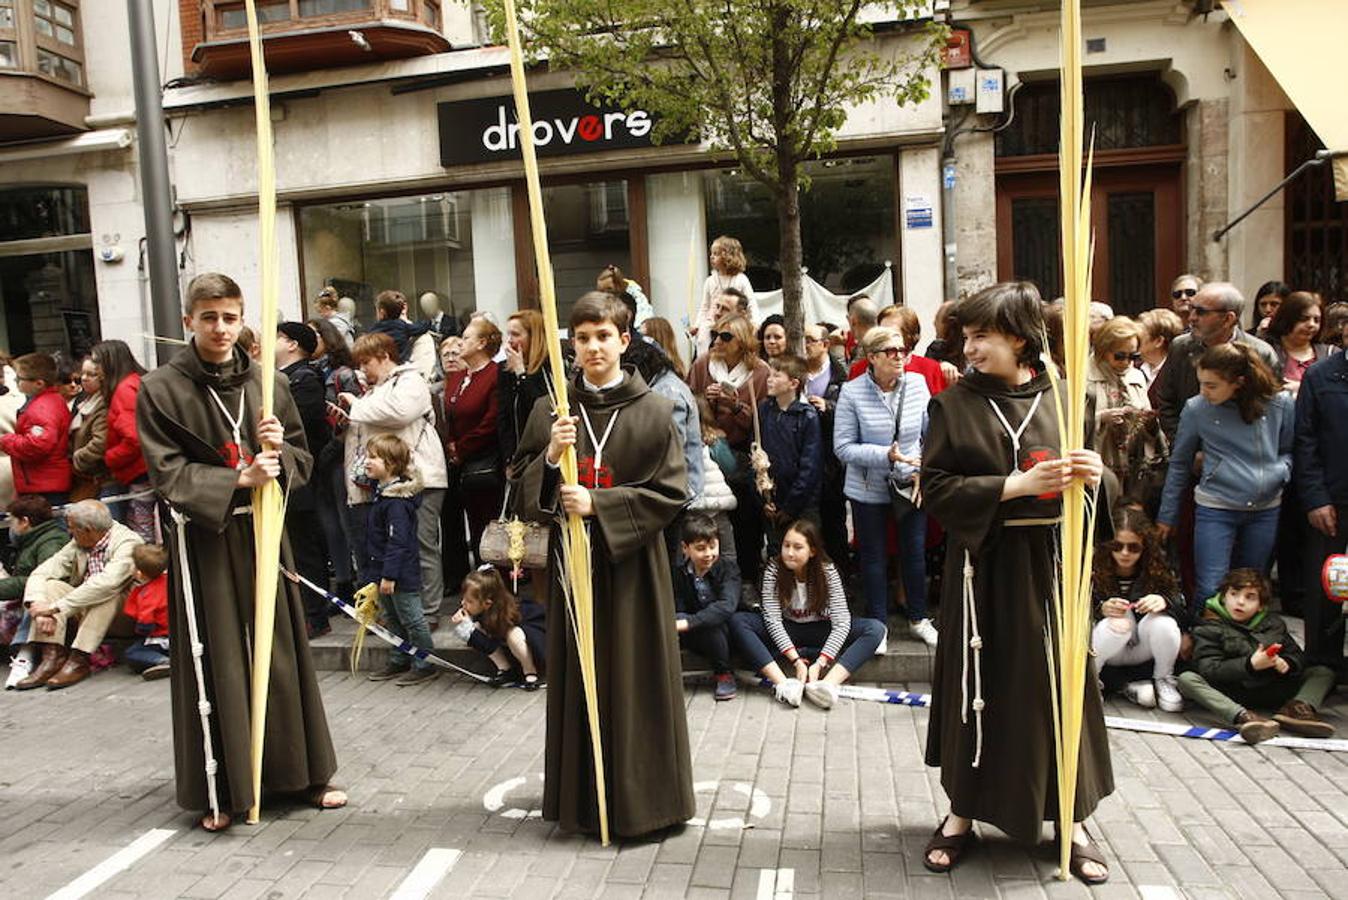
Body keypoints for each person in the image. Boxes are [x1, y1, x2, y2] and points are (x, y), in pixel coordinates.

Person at [919, 282, 1111, 883]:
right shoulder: (953, 405)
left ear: (1021, 340)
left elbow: (1098, 496)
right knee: (981, 687)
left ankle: (1071, 820)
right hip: (984, 572)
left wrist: (1097, 474)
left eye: (983, 337)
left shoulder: (1068, 398)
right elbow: (936, 490)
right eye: (966, 336)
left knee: (1057, 689)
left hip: (1051, 570)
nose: (969, 349)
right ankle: (961, 814)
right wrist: (1013, 487)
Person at [137, 272, 342, 831]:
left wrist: (276, 455)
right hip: (206, 539)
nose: (221, 328)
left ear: (242, 318)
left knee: (281, 650)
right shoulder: (161, 388)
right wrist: (239, 478)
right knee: (220, 656)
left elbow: (302, 459)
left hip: (265, 533)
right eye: (209, 318)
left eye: (230, 317)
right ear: (189, 321)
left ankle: (303, 775)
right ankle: (223, 788)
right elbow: (166, 472)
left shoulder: (268, 383)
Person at [509, 290, 693, 838]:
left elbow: (672, 492)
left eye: (604, 337)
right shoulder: (552, 410)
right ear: (572, 344)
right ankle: (584, 803)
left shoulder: (655, 410)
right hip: (572, 563)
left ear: (624, 341)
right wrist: (549, 456)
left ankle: (646, 805)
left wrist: (600, 504)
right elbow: (519, 485)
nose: (593, 348)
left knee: (635, 677)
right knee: (581, 674)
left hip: (633, 566)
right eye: (583, 338)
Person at [1156, 343, 1293, 610]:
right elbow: (1180, 463)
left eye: (1211, 385)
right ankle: (1206, 636)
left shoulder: (1280, 404)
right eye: (1201, 383)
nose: (1203, 391)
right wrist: (1167, 516)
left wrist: (1279, 472)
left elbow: (1288, 449)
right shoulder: (1197, 409)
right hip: (1216, 506)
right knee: (1210, 587)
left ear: (1239, 382)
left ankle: (1246, 637)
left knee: (1250, 589)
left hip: (1265, 508)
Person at [834, 327, 934, 649]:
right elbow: (843, 447)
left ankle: (919, 619)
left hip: (910, 482)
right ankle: (878, 626)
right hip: (868, 486)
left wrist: (922, 469)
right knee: (873, 556)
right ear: (872, 357)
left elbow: (930, 434)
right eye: (891, 352)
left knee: (914, 552)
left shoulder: (917, 384)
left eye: (902, 350)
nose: (900, 357)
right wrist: (884, 456)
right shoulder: (852, 392)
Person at [342, 332, 449, 630]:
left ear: (385, 356)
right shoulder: (375, 391)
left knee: (421, 545)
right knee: (393, 547)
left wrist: (354, 406)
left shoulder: (411, 380)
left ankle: (428, 611)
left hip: (422, 477)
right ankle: (404, 614)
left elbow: (399, 413)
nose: (362, 369)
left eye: (366, 362)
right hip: (389, 482)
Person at [729, 519, 883, 709]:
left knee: (875, 629)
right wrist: (796, 660)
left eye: (797, 547)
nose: (789, 553)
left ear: (812, 551)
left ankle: (827, 685)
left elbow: (842, 622)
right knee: (738, 621)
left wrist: (820, 663)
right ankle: (783, 685)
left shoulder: (827, 571)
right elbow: (773, 620)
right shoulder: (773, 569)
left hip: (820, 629)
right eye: (786, 546)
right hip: (787, 629)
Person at [1177, 568, 1336, 744]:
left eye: (1250, 597)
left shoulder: (1273, 623)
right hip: (1231, 692)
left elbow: (1297, 655)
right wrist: (1249, 665)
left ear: (1261, 605)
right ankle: (1244, 718)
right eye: (1234, 594)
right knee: (1187, 679)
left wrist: (1287, 663)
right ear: (1223, 597)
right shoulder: (1209, 626)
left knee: (1322, 672)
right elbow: (1209, 669)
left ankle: (1296, 709)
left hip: (1271, 687)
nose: (1240, 602)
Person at [15, 499, 142, 691]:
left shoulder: (128, 543)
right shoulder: (80, 542)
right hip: (84, 610)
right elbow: (43, 572)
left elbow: (106, 583)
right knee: (51, 586)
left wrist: (55, 608)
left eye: (72, 528)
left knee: (107, 594)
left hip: (124, 616)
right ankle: (52, 655)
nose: (69, 532)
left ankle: (79, 658)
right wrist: (39, 607)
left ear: (88, 530)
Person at [686, 313, 771, 580]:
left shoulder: (760, 372)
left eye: (725, 336)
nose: (718, 342)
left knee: (746, 524)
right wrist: (706, 401)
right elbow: (689, 405)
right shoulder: (703, 365)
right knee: (710, 527)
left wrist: (734, 405)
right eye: (715, 335)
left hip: (745, 456)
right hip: (709, 454)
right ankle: (710, 580)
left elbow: (762, 422)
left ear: (743, 341)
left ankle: (746, 578)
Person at [1155, 282, 1277, 444]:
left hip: (1243, 451)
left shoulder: (1261, 353)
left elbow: (1271, 410)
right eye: (1192, 309)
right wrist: (1186, 444)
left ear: (1228, 319)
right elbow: (1166, 401)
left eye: (1201, 312)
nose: (1192, 318)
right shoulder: (1180, 348)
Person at [1090, 508, 1185, 711]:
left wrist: (1164, 601)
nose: (1124, 553)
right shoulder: (1092, 568)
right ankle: (1090, 681)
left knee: (1164, 623)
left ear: (1145, 547)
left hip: (1143, 647)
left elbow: (1182, 607)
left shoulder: (1158, 570)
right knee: (1118, 621)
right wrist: (1100, 608)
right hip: (1105, 645)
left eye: (1133, 547)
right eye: (1117, 546)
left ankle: (1164, 678)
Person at [361, 434, 437, 686]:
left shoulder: (396, 503)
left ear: (391, 464)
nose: (366, 461)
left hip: (398, 574)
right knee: (392, 618)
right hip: (383, 571)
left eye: (373, 457)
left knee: (412, 619)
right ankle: (400, 658)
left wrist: (389, 575)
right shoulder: (382, 494)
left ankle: (425, 663)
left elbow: (398, 542)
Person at [276, 321, 335, 637]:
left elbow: (298, 422)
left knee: (304, 547)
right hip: (283, 475)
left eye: (278, 337)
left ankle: (315, 614)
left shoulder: (304, 379)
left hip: (299, 476)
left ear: (292, 344)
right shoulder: (282, 378)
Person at [1293, 338, 1348, 674]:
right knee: (1326, 585)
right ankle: (1321, 666)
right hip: (1332, 500)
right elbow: (1305, 440)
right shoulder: (1321, 376)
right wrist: (1316, 498)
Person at [443, 315, 504, 584]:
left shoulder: (495, 375)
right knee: (456, 524)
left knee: (485, 529)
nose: (460, 343)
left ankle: (492, 587)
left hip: (484, 463)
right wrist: (451, 446)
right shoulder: (457, 377)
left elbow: (491, 421)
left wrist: (462, 448)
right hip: (457, 464)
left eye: (466, 338)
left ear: (482, 343)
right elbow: (450, 415)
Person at [1085, 317, 1166, 510]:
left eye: (1133, 356)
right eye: (1119, 356)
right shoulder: (1082, 376)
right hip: (1098, 467)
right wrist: (1101, 418)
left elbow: (1150, 431)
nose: (1127, 362)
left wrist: (1148, 421)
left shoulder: (1136, 375)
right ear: (1103, 350)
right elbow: (1067, 423)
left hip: (1133, 470)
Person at [307, 317, 359, 603]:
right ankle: (343, 583)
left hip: (340, 454)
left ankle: (359, 583)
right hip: (318, 456)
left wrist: (336, 444)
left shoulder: (342, 374)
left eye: (314, 334)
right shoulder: (307, 372)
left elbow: (356, 417)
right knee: (329, 524)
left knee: (346, 520)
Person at [0, 496, 68, 688]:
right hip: (26, 592)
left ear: (25, 521)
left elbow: (41, 580)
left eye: (12, 520)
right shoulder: (32, 539)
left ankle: (25, 656)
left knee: (34, 600)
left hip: (49, 597)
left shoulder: (51, 542)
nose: (11, 526)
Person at [671, 514, 740, 701]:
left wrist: (690, 622)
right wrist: (682, 620)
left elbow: (727, 605)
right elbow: (678, 603)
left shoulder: (728, 568)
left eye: (712, 546)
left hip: (723, 631)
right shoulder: (679, 572)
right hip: (692, 631)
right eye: (701, 548)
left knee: (714, 625)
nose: (708, 554)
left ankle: (724, 674)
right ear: (685, 548)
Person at [91, 340, 154, 541]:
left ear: (110, 362)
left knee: (141, 533)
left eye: (97, 362)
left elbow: (134, 438)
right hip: (144, 469)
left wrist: (110, 458)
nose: (95, 368)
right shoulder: (135, 382)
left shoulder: (124, 390)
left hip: (139, 472)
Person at [758, 354, 822, 545]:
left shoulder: (806, 416)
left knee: (804, 548)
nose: (769, 379)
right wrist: (763, 500)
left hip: (802, 504)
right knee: (777, 550)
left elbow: (810, 467)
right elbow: (756, 456)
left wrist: (790, 507)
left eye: (776, 375)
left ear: (793, 383)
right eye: (769, 375)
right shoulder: (765, 410)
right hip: (772, 500)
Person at [452, 565, 545, 690]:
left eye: (469, 601)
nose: (463, 603)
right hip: (506, 642)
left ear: (487, 604)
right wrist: (466, 624)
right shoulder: (482, 612)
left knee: (514, 634)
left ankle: (530, 671)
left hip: (534, 642)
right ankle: (505, 669)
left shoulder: (509, 611)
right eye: (463, 598)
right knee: (472, 630)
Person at [803, 322, 850, 570]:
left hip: (832, 459)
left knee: (834, 521)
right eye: (802, 339)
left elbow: (850, 410)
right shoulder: (797, 373)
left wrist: (828, 407)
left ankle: (840, 575)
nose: (805, 345)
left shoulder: (840, 375)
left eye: (810, 340)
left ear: (825, 344)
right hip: (804, 455)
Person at [0, 353, 72, 506]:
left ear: (39, 383)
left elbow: (37, 445)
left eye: (20, 379)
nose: (15, 382)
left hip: (43, 485)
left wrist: (5, 440)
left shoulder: (42, 408)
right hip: (42, 482)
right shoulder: (49, 401)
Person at [687, 396, 738, 565]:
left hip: (691, 509)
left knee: (693, 556)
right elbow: (730, 467)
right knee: (727, 554)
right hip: (717, 508)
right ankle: (729, 582)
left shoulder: (681, 441)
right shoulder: (715, 441)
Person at [499, 310, 553, 465]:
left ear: (533, 337)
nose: (509, 341)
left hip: (542, 452)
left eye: (516, 334)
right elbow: (503, 417)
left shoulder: (548, 368)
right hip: (516, 454)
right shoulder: (504, 370)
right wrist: (508, 458)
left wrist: (521, 374)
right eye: (508, 334)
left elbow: (540, 408)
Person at [694, 236, 756, 355]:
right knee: (702, 337)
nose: (711, 257)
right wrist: (697, 325)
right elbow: (704, 307)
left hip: (735, 321)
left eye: (716, 254)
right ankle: (704, 359)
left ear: (728, 256)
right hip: (713, 321)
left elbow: (751, 303)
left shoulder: (741, 279)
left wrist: (754, 323)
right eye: (711, 253)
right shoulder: (710, 281)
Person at [1267, 291, 1330, 399]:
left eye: (1316, 320)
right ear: (1287, 319)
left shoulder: (1330, 354)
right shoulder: (1267, 351)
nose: (1311, 324)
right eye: (1304, 319)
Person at [122, 542, 171, 680]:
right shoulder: (167, 580)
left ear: (139, 573)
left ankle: (162, 662)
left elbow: (145, 624)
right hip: (178, 635)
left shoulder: (146, 594)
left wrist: (141, 631)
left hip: (161, 638)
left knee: (132, 653)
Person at [69, 356, 112, 503]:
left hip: (101, 478)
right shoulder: (84, 401)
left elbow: (101, 442)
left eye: (91, 374)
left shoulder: (103, 404)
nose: (84, 378)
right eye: (83, 373)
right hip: (87, 478)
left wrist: (78, 458)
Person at [369, 289, 434, 368]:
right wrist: (428, 323)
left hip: (379, 364)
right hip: (399, 364)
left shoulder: (374, 330)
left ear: (382, 312)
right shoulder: (403, 327)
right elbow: (420, 328)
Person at [1136, 307, 1184, 393]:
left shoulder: (1179, 374)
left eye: (1139, 334)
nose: (1134, 338)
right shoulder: (1132, 368)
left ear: (1158, 341)